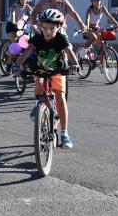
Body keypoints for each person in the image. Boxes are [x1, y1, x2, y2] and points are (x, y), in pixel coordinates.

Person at [13, 9, 80, 149]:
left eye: (52, 28)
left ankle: (64, 134)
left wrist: (75, 65)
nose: (48, 31)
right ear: (40, 26)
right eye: (44, 28)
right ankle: (39, 105)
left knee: (60, 98)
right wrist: (17, 65)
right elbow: (27, 52)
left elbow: (69, 52)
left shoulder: (61, 39)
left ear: (59, 27)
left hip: (58, 70)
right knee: (38, 81)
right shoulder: (37, 38)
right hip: (41, 69)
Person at [81, 0, 118, 70]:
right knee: (94, 37)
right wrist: (88, 27)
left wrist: (116, 24)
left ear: (101, 1)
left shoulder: (103, 8)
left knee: (102, 45)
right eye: (94, 1)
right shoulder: (89, 9)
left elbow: (109, 16)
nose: (96, 2)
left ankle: (102, 65)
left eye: (98, 0)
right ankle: (83, 50)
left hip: (96, 27)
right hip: (87, 27)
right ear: (91, 2)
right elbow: (87, 19)